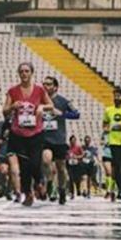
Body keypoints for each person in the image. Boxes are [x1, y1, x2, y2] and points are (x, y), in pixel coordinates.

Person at [2, 62, 53, 207]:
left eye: (27, 71)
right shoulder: (13, 91)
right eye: (22, 71)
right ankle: (28, 193)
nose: (24, 74)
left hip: (36, 133)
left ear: (32, 73)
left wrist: (42, 107)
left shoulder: (39, 90)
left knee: (35, 163)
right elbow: (4, 111)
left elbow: (51, 106)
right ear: (19, 74)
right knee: (24, 166)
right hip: (18, 133)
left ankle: (39, 182)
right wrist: (12, 107)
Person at [40, 76, 80, 205]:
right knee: (46, 161)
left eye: (49, 84)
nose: (46, 86)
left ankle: (62, 190)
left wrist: (62, 114)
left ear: (55, 87)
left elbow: (76, 114)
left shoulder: (63, 101)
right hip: (45, 138)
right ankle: (51, 184)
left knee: (61, 168)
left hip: (59, 139)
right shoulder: (40, 101)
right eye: (44, 84)